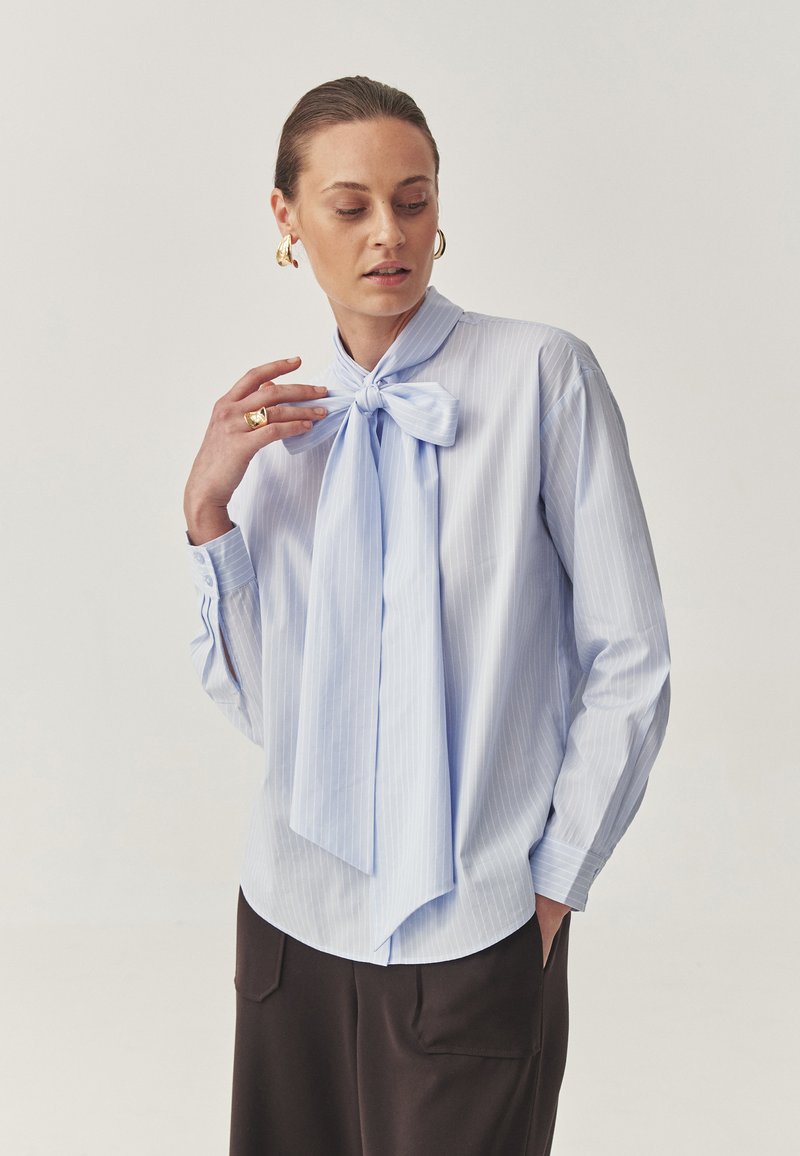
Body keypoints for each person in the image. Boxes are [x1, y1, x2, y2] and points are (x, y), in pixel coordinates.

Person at [184, 76, 671, 1156]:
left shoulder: (541, 375)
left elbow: (630, 655)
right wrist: (209, 517)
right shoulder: (278, 424)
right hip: (290, 925)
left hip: (474, 928)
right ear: (286, 216)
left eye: (412, 200)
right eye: (350, 205)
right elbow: (273, 714)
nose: (388, 235)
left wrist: (555, 885)